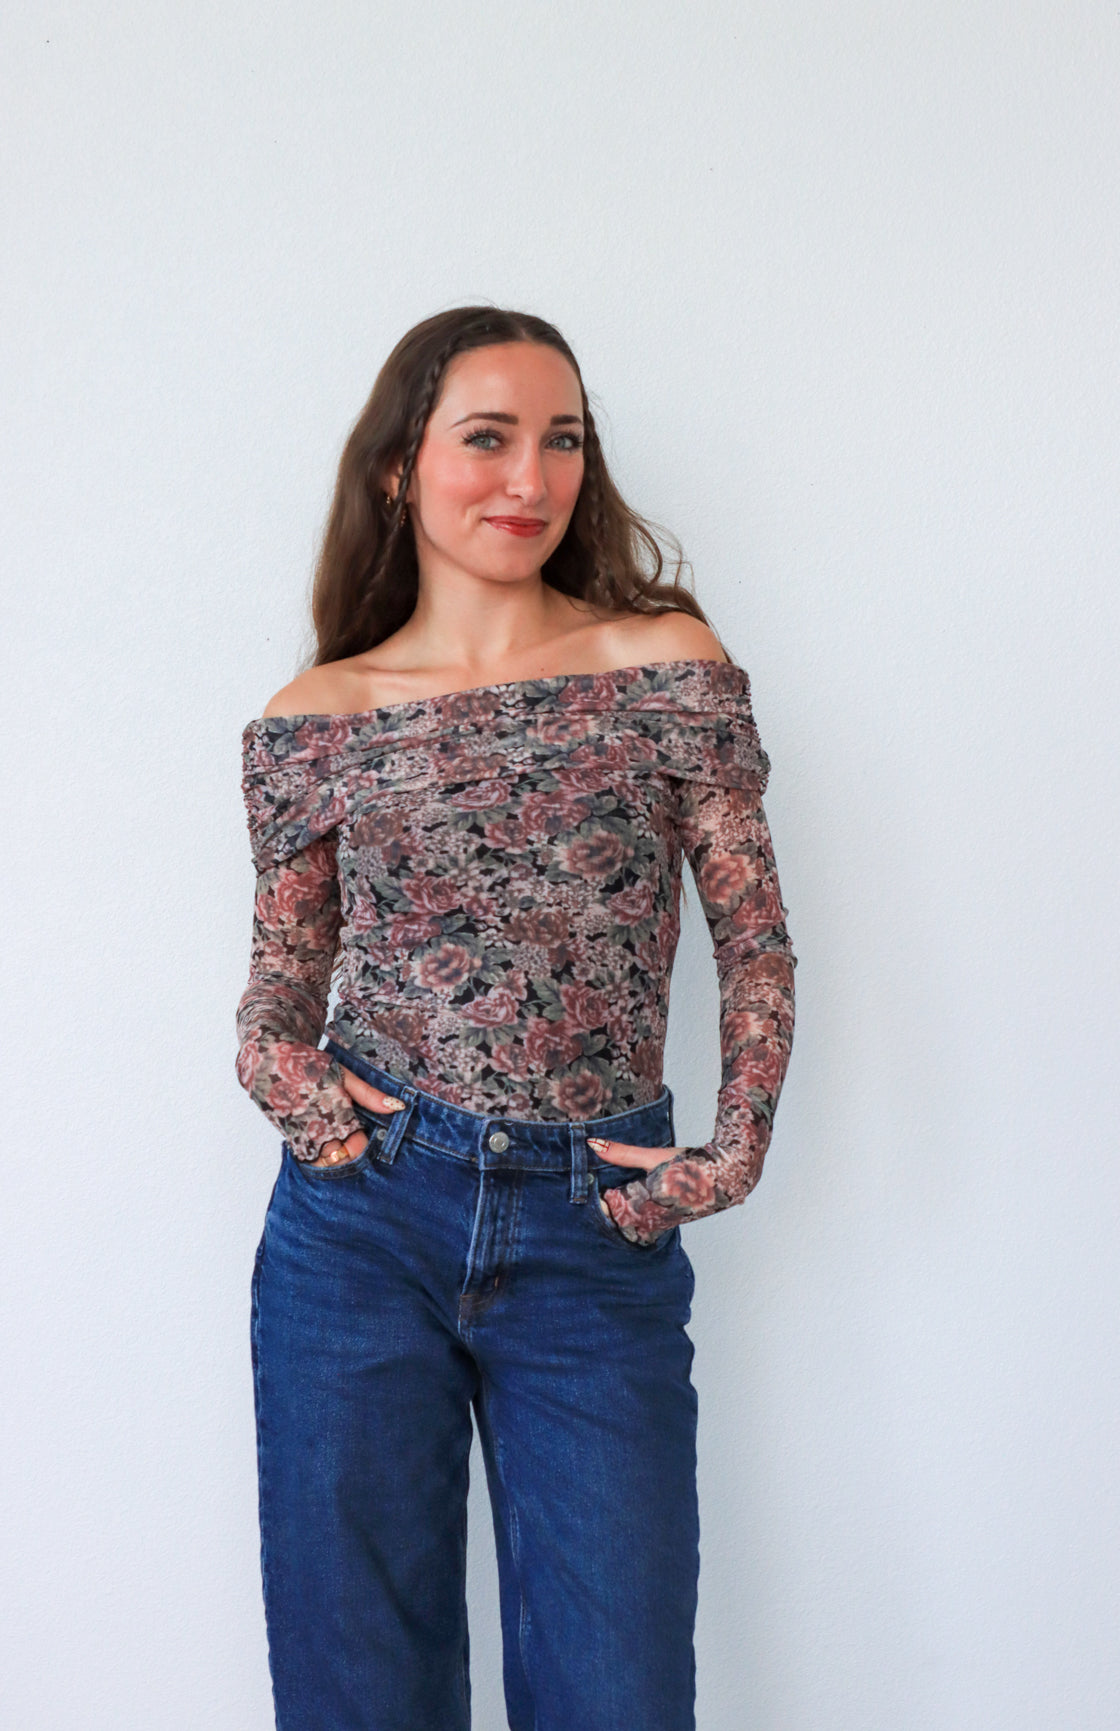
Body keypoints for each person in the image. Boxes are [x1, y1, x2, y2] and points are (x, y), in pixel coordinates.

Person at [236, 305, 796, 1731]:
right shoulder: (319, 713)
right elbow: (277, 991)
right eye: (486, 438)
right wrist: (278, 1075)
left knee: (614, 1696)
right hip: (359, 1223)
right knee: (358, 1691)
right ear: (396, 472)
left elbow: (753, 938)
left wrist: (728, 1152)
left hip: (592, 1227)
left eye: (560, 441)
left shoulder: (660, 660)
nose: (528, 480)